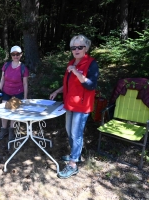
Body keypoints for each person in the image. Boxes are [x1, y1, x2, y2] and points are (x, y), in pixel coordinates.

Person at [49, 34, 99, 179]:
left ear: (86, 48)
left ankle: (73, 165)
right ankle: (75, 155)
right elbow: (68, 84)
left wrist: (76, 72)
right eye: (73, 47)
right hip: (69, 104)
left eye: (80, 47)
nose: (76, 50)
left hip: (82, 105)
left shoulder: (91, 63)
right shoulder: (71, 63)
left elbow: (91, 85)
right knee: (70, 132)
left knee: (76, 134)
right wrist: (57, 91)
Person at [0, 45, 29, 141]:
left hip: (17, 92)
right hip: (6, 91)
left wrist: (25, 97)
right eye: (13, 54)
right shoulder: (6, 65)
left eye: (18, 54)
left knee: (13, 111)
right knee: (4, 111)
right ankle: (4, 129)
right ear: (11, 55)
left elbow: (25, 84)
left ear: (21, 55)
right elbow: (2, 79)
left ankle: (11, 129)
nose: (16, 56)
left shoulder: (23, 68)